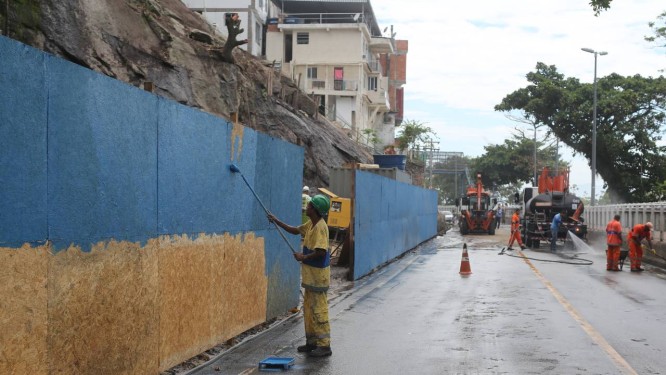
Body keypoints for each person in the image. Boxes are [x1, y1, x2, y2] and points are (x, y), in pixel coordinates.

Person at [267, 194, 333, 357]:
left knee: (319, 310)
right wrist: (276, 221)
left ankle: (324, 346)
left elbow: (321, 251)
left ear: (316, 210)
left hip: (318, 278)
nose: (307, 207)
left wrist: (303, 257)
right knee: (309, 310)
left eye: (310, 206)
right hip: (311, 276)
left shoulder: (321, 227)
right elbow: (295, 230)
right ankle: (311, 342)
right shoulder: (311, 223)